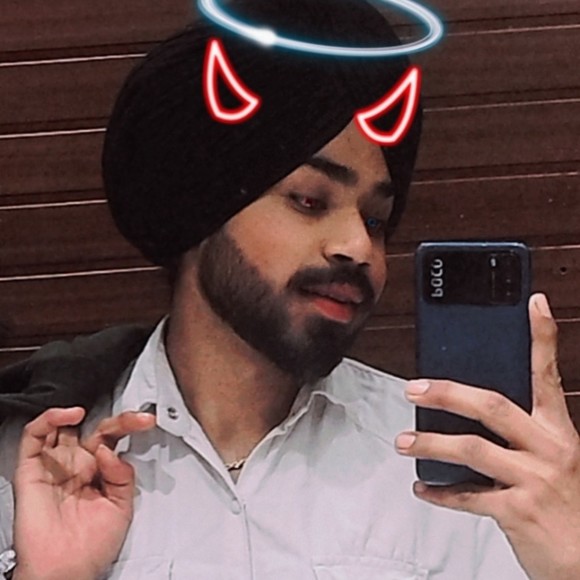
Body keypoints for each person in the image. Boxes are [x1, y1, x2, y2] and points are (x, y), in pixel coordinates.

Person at [1, 1, 580, 578]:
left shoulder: (453, 466)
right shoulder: (42, 471)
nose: (358, 247)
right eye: (310, 201)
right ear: (201, 209)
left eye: (376, 220)